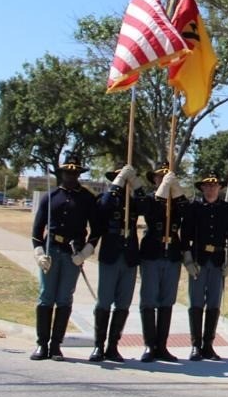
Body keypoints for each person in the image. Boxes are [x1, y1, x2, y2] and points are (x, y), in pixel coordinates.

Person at [30, 151, 96, 361]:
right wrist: (39, 253)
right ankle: (42, 344)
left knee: (64, 299)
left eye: (75, 172)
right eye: (67, 172)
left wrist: (86, 252)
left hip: (72, 255)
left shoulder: (87, 199)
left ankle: (56, 345)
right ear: (61, 173)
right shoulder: (51, 197)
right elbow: (36, 231)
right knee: (45, 297)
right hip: (51, 251)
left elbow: (97, 230)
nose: (71, 176)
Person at [89, 163, 144, 363]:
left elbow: (147, 207)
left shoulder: (134, 201)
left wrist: (137, 185)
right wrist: (118, 184)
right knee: (104, 302)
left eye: (125, 179)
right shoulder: (107, 198)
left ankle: (113, 346)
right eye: (120, 178)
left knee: (123, 304)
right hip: (111, 254)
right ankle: (98, 345)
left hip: (129, 256)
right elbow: (102, 208)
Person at [138, 161, 190, 362]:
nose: (163, 180)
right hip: (152, 253)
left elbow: (188, 213)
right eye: (160, 177)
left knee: (167, 301)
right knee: (149, 300)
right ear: (155, 180)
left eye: (166, 177)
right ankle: (149, 345)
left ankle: (162, 346)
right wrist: (162, 192)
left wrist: (176, 190)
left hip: (172, 255)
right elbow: (148, 212)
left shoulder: (177, 201)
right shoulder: (151, 198)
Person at [184, 173, 228, 361]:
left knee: (214, 304)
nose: (211, 189)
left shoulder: (227, 209)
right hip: (199, 260)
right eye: (207, 186)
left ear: (219, 188)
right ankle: (195, 345)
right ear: (202, 188)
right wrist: (188, 261)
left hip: (217, 260)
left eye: (214, 186)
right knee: (196, 303)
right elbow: (185, 236)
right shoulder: (194, 207)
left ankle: (208, 345)